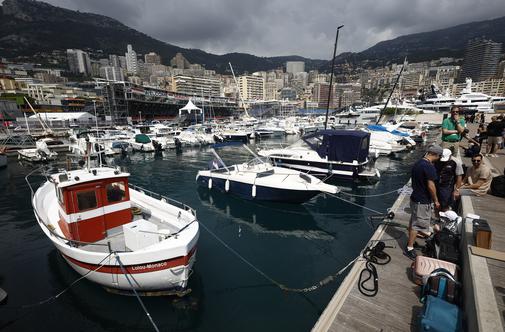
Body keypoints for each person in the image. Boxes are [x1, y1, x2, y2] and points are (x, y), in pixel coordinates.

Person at [405, 144, 442, 260]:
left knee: (413, 221)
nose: (439, 159)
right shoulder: (429, 167)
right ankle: (409, 248)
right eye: (439, 156)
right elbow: (431, 185)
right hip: (422, 200)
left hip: (415, 197)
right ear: (435, 155)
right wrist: (436, 200)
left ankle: (410, 242)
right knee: (417, 225)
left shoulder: (418, 163)